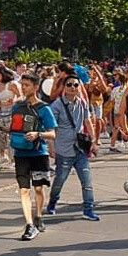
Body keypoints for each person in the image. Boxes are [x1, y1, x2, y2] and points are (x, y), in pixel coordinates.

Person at [9, 73, 57, 241]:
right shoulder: (17, 107)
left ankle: (38, 217)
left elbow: (52, 133)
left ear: (36, 87)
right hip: (20, 153)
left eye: (27, 85)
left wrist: (39, 134)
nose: (23, 87)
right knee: (24, 190)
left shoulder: (44, 109)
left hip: (38, 153)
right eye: (22, 84)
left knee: (38, 188)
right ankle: (29, 224)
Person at [46, 75, 98, 222]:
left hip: (80, 149)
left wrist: (93, 141)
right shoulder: (56, 105)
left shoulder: (82, 103)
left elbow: (88, 121)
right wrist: (51, 147)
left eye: (76, 85)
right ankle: (52, 202)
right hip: (64, 149)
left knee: (87, 182)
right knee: (60, 180)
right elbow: (51, 127)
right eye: (69, 85)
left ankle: (88, 209)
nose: (73, 87)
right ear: (64, 87)